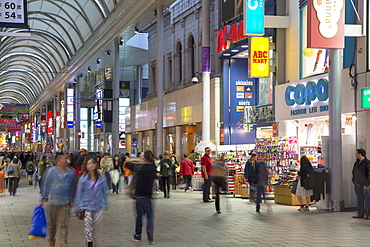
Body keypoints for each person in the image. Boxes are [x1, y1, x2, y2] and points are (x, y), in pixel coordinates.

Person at [40, 153, 77, 247]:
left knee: (63, 224)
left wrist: (72, 199)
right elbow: (47, 184)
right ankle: (51, 241)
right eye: (64, 158)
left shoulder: (70, 172)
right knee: (52, 224)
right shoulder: (51, 171)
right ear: (58, 160)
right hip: (53, 201)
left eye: (67, 158)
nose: (66, 160)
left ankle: (63, 243)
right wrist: (43, 197)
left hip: (65, 202)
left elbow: (72, 187)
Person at [74, 156, 109, 247]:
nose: (91, 165)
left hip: (98, 205)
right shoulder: (83, 178)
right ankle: (90, 242)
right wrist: (78, 206)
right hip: (87, 205)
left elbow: (104, 191)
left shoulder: (101, 177)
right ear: (85, 166)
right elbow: (79, 193)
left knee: (96, 226)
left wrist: (105, 203)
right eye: (88, 163)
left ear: (96, 164)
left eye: (92, 163)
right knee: (88, 225)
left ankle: (92, 239)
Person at [126, 150, 156, 245]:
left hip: (138, 195)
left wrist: (138, 160)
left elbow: (128, 164)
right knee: (149, 216)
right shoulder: (153, 168)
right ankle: (150, 234)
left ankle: (138, 235)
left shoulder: (140, 168)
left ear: (144, 158)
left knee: (139, 216)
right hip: (148, 195)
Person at [352, 148, 370, 219]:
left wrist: (367, 184)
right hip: (357, 183)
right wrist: (354, 180)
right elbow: (354, 172)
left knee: (368, 200)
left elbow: (369, 174)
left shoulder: (367, 163)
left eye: (356, 153)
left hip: (365, 184)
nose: (355, 154)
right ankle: (360, 213)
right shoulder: (356, 163)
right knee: (360, 199)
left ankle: (368, 214)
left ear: (360, 154)